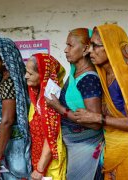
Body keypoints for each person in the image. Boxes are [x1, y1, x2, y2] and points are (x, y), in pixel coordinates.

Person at [74, 24, 128, 179]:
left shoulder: (124, 78)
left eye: (95, 46)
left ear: (111, 47)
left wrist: (96, 118)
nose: (90, 50)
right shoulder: (105, 76)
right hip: (113, 148)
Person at [46, 28, 104, 180]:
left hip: (85, 146)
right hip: (73, 143)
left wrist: (59, 108)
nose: (65, 50)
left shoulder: (88, 79)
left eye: (70, 46)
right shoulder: (74, 73)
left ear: (85, 49)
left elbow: (95, 123)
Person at [0, 38, 31, 179]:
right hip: (13, 141)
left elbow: (7, 121)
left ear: (4, 60)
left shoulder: (9, 83)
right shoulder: (9, 78)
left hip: (14, 144)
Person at [25, 53, 67, 180]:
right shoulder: (37, 93)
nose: (25, 76)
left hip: (48, 163)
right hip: (38, 157)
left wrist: (40, 169)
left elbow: (51, 135)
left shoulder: (50, 98)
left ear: (43, 76)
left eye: (30, 73)